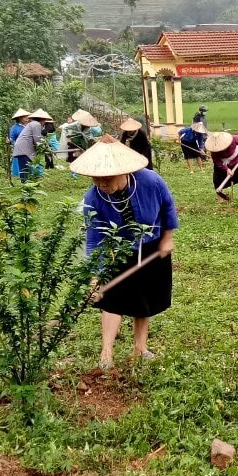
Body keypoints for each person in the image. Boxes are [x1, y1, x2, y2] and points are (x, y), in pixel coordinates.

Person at [73, 137, 178, 368]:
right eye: (96, 178)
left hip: (151, 246)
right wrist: (95, 274)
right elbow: (94, 238)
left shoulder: (151, 181)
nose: (101, 183)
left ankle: (140, 348)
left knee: (144, 298)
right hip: (116, 251)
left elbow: (168, 206)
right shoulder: (93, 198)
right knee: (112, 300)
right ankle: (106, 354)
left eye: (107, 178)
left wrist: (167, 238)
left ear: (123, 171)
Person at [206, 131, 238, 202]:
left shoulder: (234, 139)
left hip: (237, 160)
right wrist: (226, 169)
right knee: (217, 181)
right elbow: (216, 160)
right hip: (222, 164)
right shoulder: (214, 149)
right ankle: (221, 200)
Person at [13, 109, 49, 183]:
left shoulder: (32, 124)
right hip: (24, 149)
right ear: (42, 119)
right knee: (25, 169)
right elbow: (37, 139)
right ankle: (26, 185)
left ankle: (27, 184)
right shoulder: (36, 124)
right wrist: (45, 148)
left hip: (22, 147)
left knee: (25, 168)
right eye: (45, 120)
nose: (45, 122)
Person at [8, 108, 30, 178]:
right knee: (23, 167)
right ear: (20, 118)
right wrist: (9, 141)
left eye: (27, 116)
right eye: (25, 116)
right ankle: (24, 181)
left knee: (30, 167)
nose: (27, 118)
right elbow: (11, 139)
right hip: (21, 150)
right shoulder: (15, 128)